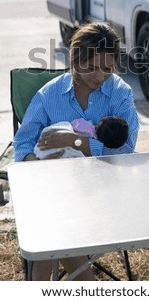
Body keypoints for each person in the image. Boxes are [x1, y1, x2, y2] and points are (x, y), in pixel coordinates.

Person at [13, 22, 139, 281]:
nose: (99, 75)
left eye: (108, 68)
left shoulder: (119, 94)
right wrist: (37, 165)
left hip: (104, 188)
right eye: (90, 67)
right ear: (74, 60)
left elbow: (126, 150)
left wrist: (76, 142)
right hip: (54, 187)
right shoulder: (50, 95)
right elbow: (23, 144)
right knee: (52, 221)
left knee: (51, 228)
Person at [34, 116, 129, 159]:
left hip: (46, 143)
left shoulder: (87, 126)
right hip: (51, 145)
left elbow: (74, 125)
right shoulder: (95, 147)